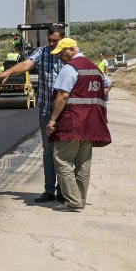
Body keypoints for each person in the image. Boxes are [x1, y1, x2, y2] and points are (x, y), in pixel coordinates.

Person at [0, 24, 65, 203]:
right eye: (49, 40)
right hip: (45, 110)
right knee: (48, 151)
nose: (51, 44)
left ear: (62, 40)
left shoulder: (68, 54)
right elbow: (27, 64)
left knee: (63, 151)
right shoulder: (42, 52)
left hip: (65, 111)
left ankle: (63, 190)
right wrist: (8, 72)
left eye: (55, 41)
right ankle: (49, 190)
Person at [45, 38, 112, 211]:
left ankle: (73, 200)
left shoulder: (70, 69)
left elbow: (62, 96)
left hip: (72, 122)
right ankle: (80, 200)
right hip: (90, 123)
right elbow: (108, 84)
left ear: (71, 50)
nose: (59, 56)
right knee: (83, 163)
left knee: (61, 160)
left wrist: (52, 120)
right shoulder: (94, 67)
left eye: (61, 52)